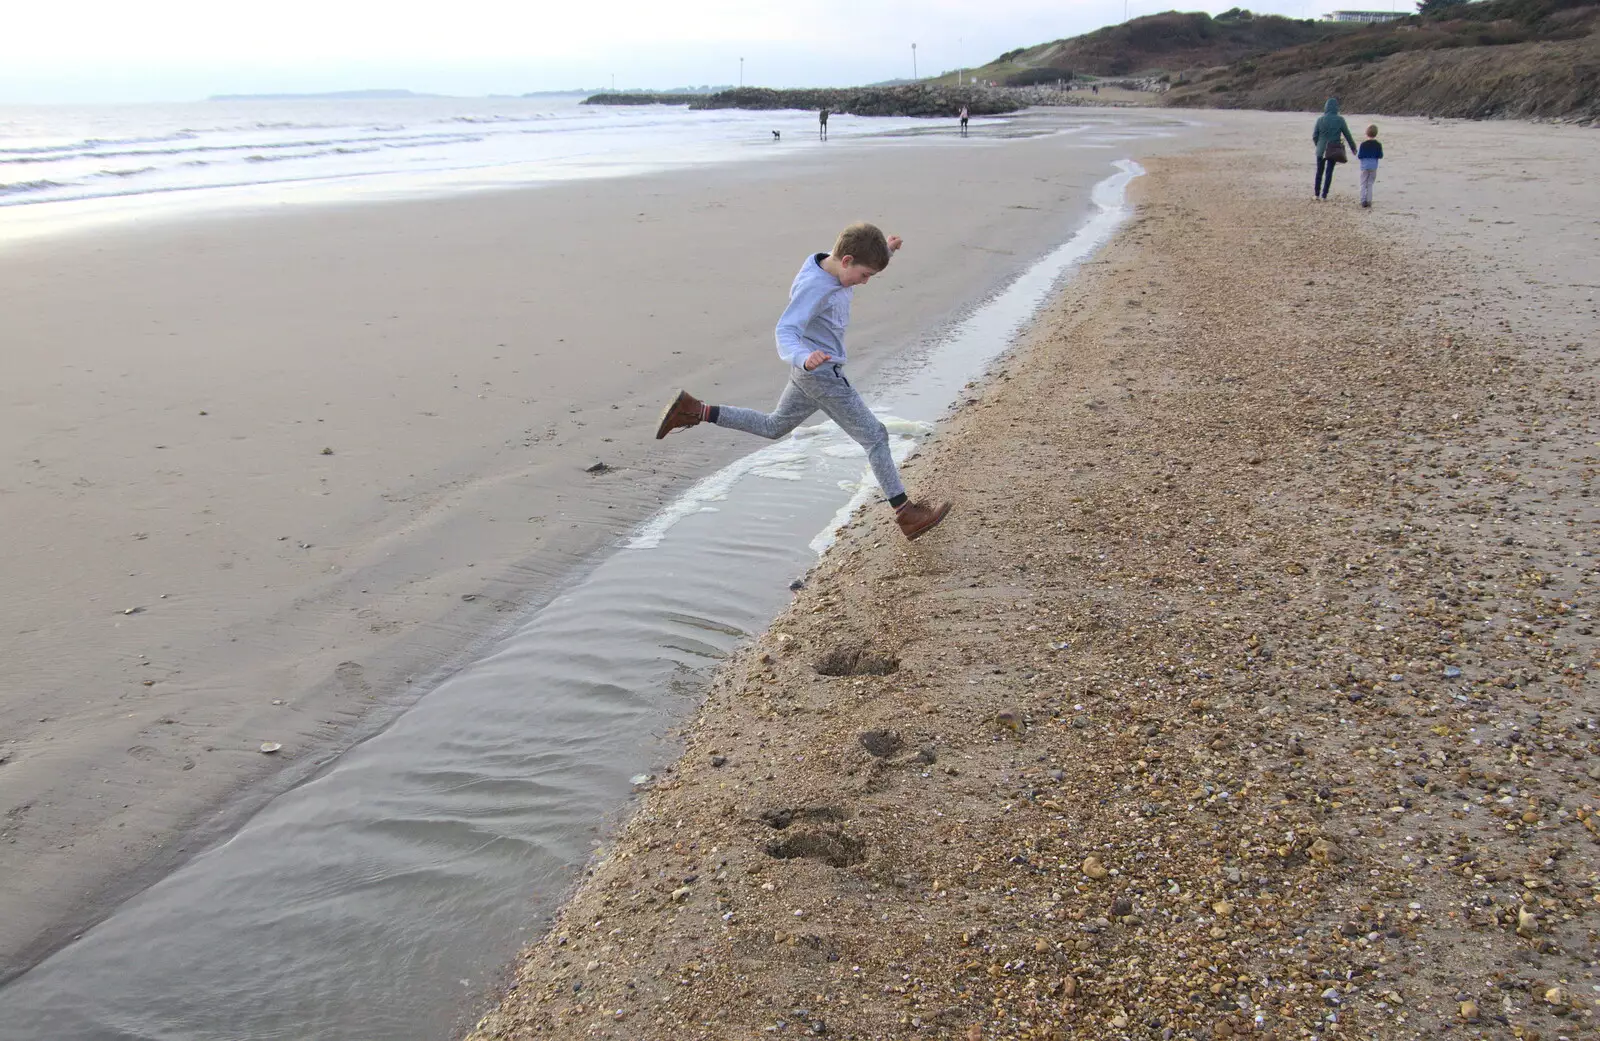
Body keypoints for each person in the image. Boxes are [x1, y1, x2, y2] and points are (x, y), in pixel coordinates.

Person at [654, 222, 952, 541]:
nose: (864, 283)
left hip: (808, 373)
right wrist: (803, 357)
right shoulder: (816, 287)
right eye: (865, 275)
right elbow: (786, 330)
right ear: (848, 261)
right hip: (820, 373)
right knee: (875, 437)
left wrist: (886, 251)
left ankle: (694, 410)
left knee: (774, 426)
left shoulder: (829, 263)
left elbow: (858, 256)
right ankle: (905, 513)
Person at [1312, 97, 1357, 200]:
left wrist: (1318, 145)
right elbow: (1347, 135)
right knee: (1329, 172)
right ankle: (1324, 195)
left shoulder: (1320, 120)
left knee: (1319, 171)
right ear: (1336, 108)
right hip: (1333, 150)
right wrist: (1353, 148)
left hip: (1321, 149)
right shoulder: (1340, 120)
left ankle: (1316, 194)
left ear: (1326, 107)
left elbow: (1314, 136)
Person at [1357, 123, 1384, 208]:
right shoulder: (1378, 144)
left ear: (1366, 133)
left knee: (1363, 183)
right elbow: (1380, 156)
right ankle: (1369, 201)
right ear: (1376, 133)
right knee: (1370, 183)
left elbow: (1359, 156)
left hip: (1364, 166)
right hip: (1373, 166)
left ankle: (1362, 200)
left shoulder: (1363, 144)